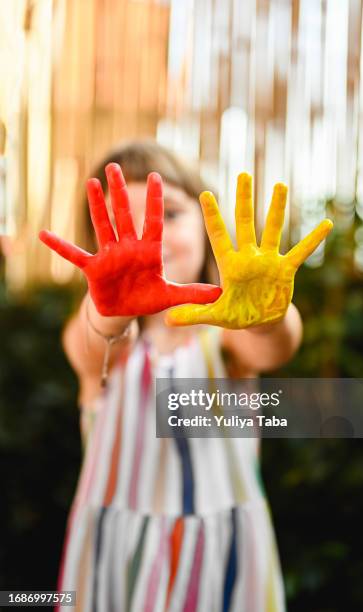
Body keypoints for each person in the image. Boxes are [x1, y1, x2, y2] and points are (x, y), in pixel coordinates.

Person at [39, 140, 331, 611]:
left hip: (223, 555)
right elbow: (86, 343)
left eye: (169, 215)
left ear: (207, 227)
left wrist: (268, 316)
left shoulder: (226, 337)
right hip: (117, 557)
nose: (149, 240)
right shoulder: (111, 341)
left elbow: (274, 347)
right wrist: (109, 312)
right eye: (122, 224)